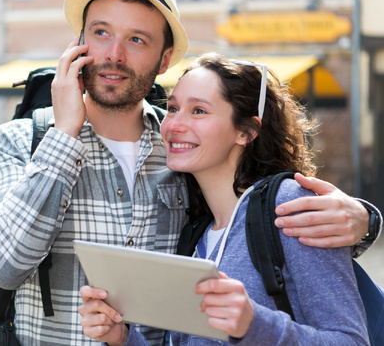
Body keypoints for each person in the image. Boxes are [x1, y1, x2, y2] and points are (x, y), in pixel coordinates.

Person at [0, 0, 380, 345]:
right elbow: (2, 268)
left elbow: (263, 222)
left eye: (137, 40)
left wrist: (364, 221)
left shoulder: (182, 154)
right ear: (78, 43)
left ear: (164, 60)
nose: (113, 54)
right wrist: (63, 137)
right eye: (101, 33)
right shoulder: (25, 140)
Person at [78, 53, 372, 345]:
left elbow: (352, 340)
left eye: (199, 111)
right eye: (172, 108)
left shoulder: (289, 206)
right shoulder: (194, 232)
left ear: (246, 132)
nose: (173, 125)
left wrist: (254, 324)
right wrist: (123, 338)